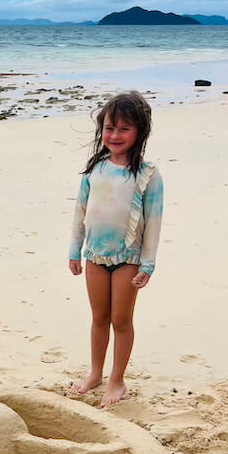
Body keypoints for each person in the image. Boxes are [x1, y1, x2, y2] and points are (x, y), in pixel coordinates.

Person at [68, 91, 163, 407]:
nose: (115, 135)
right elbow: (80, 212)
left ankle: (117, 378)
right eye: (110, 128)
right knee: (99, 317)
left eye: (124, 129)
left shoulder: (147, 174)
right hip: (95, 256)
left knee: (121, 320)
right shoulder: (95, 169)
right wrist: (74, 251)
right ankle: (95, 373)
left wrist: (147, 264)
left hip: (129, 259)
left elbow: (154, 222)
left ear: (140, 131)